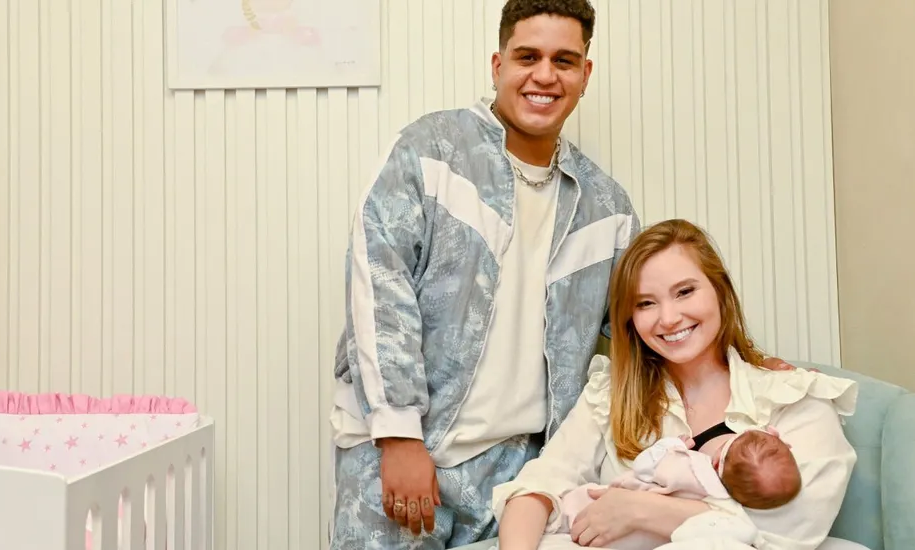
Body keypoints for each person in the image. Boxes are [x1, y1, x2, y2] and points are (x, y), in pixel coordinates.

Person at [328, 1, 793, 548]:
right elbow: (378, 287)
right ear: (498, 65)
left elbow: (646, 324)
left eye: (564, 61)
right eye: (528, 57)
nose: (545, 75)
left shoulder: (606, 207)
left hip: (516, 470)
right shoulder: (430, 152)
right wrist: (398, 435)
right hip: (399, 452)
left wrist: (746, 360)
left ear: (585, 74)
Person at [493, 218, 860, 550]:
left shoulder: (794, 397)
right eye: (645, 303)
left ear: (720, 291)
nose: (668, 318)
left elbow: (793, 527)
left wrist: (640, 510)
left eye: (685, 292)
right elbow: (538, 486)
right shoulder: (609, 396)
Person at [553, 428, 805, 550]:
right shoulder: (729, 510)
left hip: (598, 510)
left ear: (717, 460)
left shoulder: (691, 465)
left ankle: (558, 517)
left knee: (574, 505)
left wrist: (672, 445)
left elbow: (644, 466)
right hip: (636, 541)